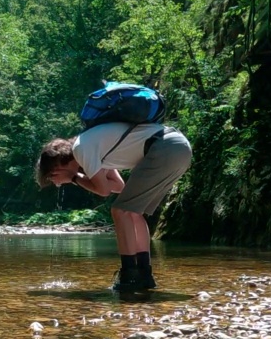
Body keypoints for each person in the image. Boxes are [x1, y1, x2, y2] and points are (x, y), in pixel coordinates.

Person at [35, 122, 192, 292]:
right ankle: (144, 274)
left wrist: (74, 178)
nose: (57, 183)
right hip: (179, 147)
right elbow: (118, 186)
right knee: (132, 212)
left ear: (57, 166)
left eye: (53, 177)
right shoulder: (92, 147)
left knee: (120, 210)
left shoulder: (82, 149)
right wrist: (76, 176)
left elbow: (103, 190)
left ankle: (129, 275)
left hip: (164, 149)